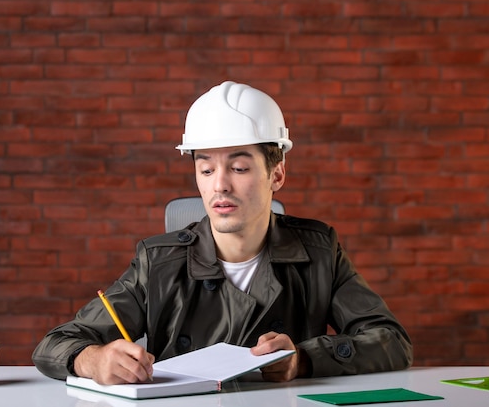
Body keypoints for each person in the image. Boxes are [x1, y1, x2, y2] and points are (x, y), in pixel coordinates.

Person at [32, 81, 413, 385]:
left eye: (240, 168)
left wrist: (304, 359)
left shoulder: (318, 251)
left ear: (276, 174)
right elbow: (54, 345)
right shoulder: (158, 263)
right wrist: (94, 360)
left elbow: (392, 341)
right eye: (206, 169)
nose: (220, 187)